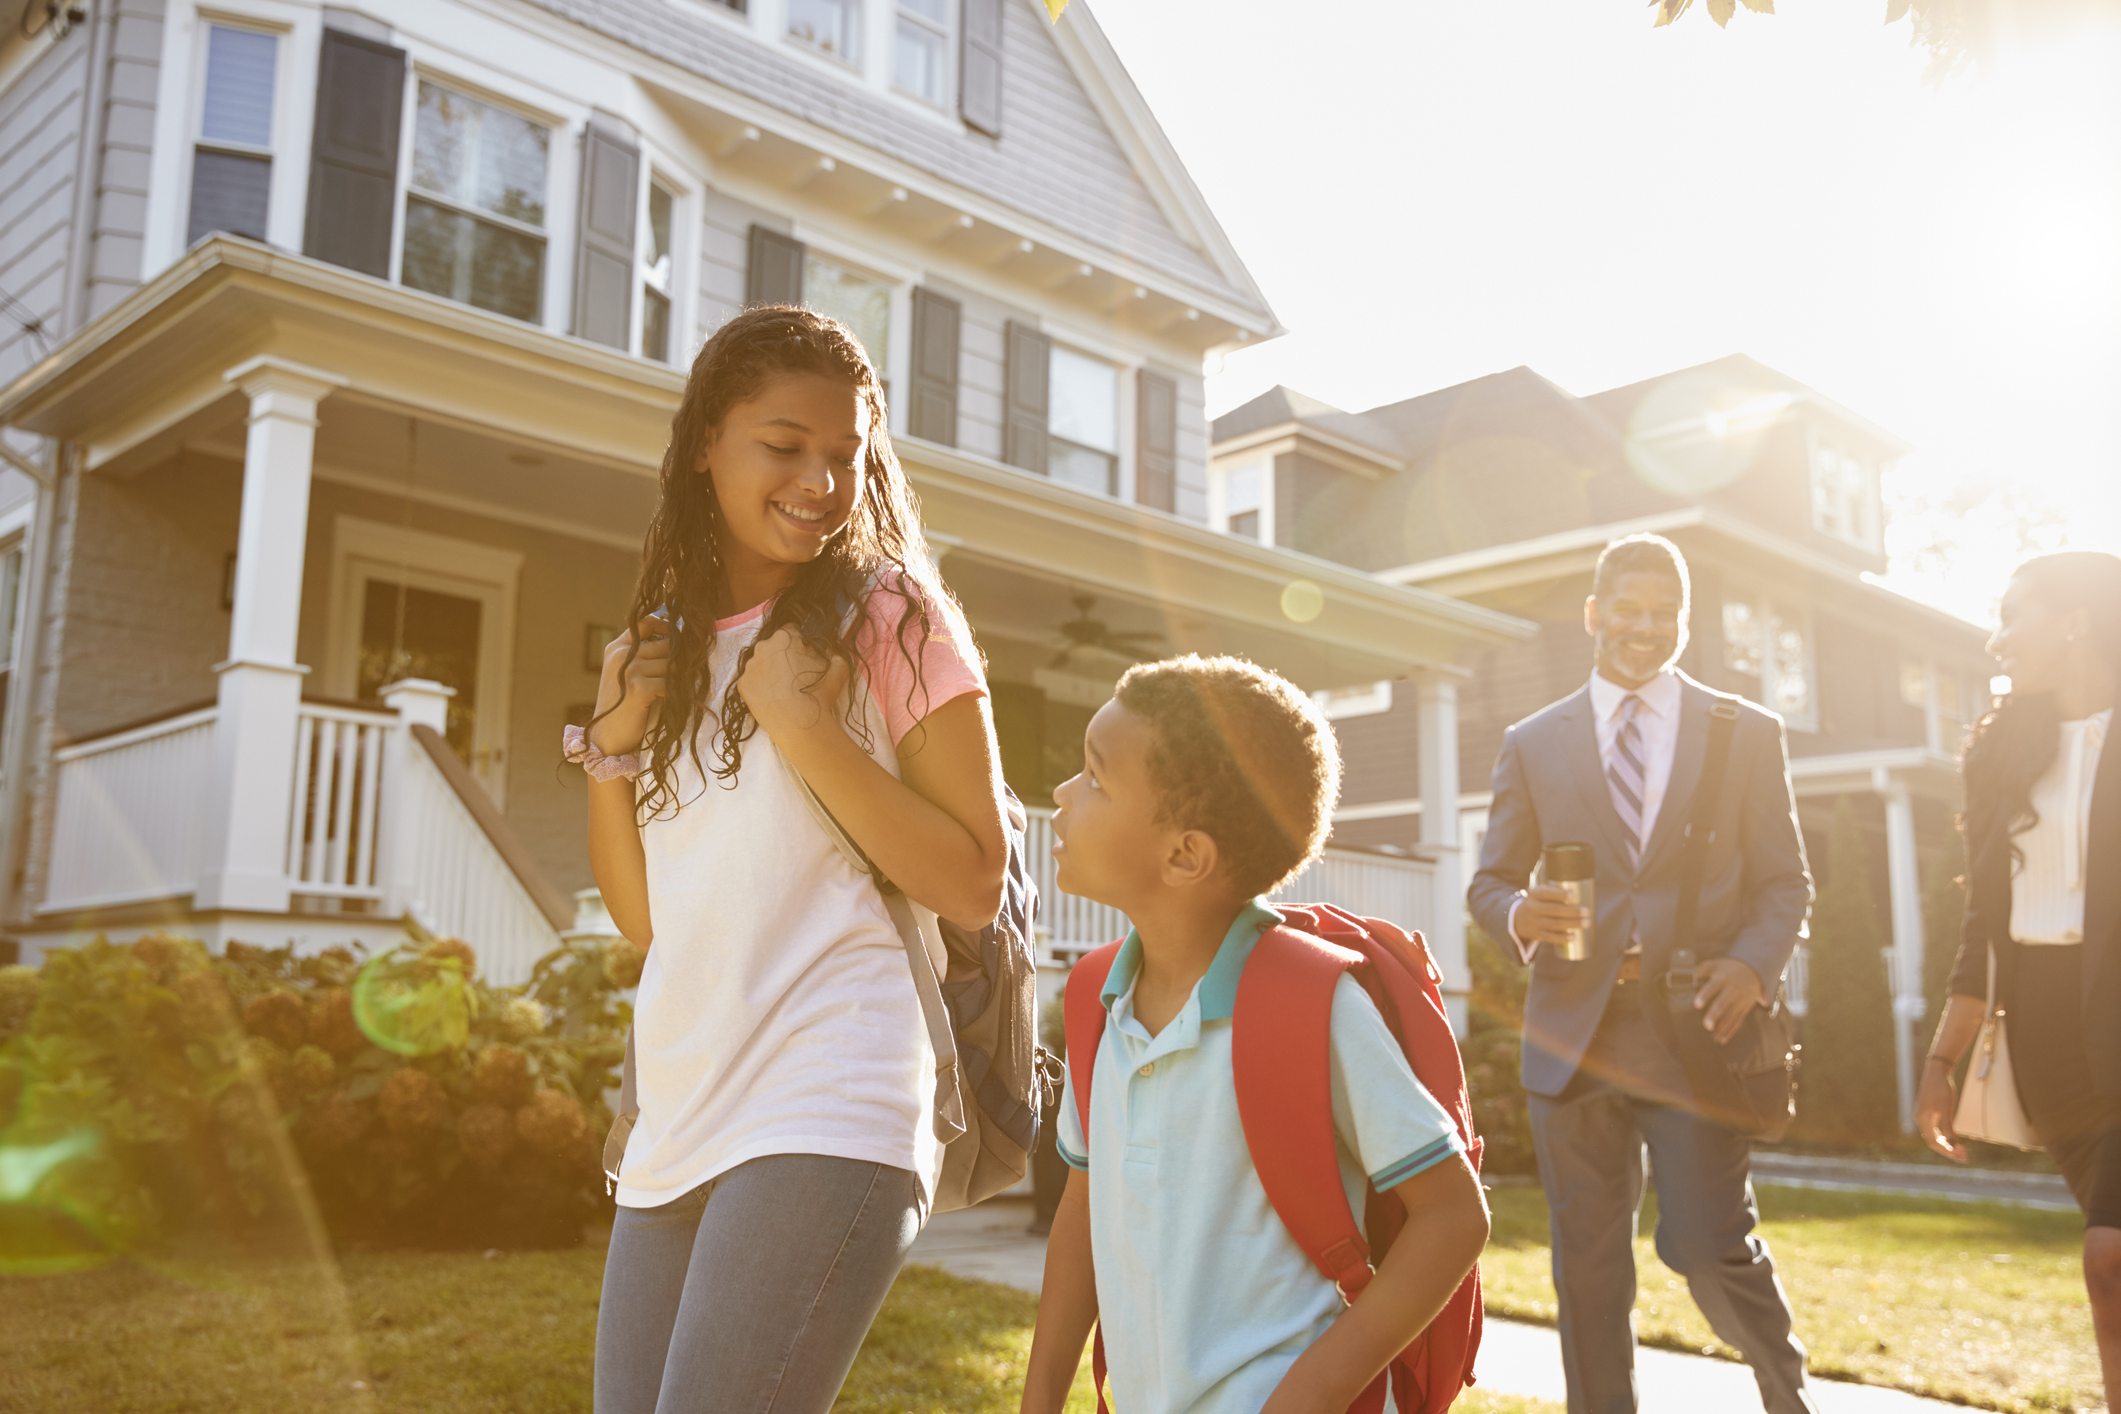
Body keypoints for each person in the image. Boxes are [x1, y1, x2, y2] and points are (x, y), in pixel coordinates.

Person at [570, 306, 1010, 1414]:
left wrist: (805, 727)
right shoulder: (667, 643)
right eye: (787, 445)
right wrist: (610, 750)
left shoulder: (893, 617)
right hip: (678, 1106)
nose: (823, 479)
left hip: (833, 1089)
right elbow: (646, 921)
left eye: (848, 455)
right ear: (706, 444)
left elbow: (971, 880)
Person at [1019, 655, 1490, 1414]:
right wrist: (1040, 1396)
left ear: (1184, 855)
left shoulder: (1313, 1004)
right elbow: (1083, 1207)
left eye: (1095, 778)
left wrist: (1305, 1397)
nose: (1064, 794)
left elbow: (1452, 1215)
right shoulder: (1093, 999)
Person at [1468, 533, 1818, 1414]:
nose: (1645, 628)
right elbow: (1489, 879)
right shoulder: (1533, 740)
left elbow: (1785, 881)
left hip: (1696, 1034)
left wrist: (1751, 965)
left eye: (1665, 614)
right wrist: (1517, 914)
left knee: (1702, 1244)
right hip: (1572, 1035)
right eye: (1627, 609)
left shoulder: (1742, 733)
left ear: (1683, 624)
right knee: (1585, 1268)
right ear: (1593, 614)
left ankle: (1786, 1389)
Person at [1915, 550, 2121, 1404]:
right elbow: (1981, 928)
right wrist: (1939, 1062)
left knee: (2109, 1253)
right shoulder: (2000, 751)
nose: (1996, 640)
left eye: (2013, 616)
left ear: (2074, 619)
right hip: (2045, 1034)